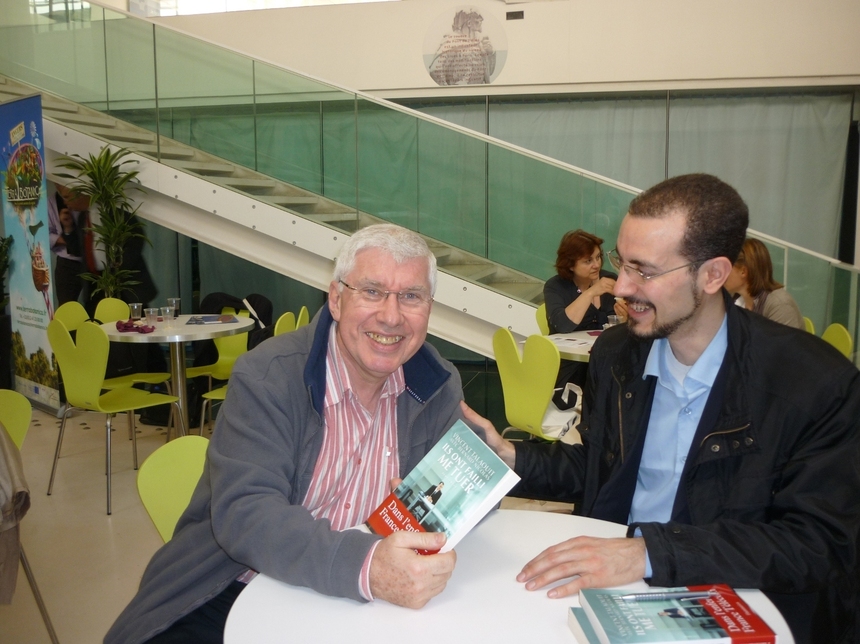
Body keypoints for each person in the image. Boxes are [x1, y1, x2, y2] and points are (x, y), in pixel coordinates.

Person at [464, 174, 860, 644]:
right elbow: (599, 467)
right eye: (620, 262)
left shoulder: (813, 383)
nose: (620, 287)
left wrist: (649, 552)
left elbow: (818, 545)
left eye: (645, 272)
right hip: (616, 585)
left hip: (738, 604)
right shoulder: (618, 353)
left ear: (712, 275)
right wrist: (510, 456)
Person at [106, 224, 471, 644]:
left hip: (365, 607)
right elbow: (246, 513)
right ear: (336, 299)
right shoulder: (269, 377)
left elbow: (453, 504)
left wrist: (488, 463)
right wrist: (366, 566)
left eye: (411, 296)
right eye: (371, 291)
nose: (391, 316)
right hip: (231, 586)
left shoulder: (436, 383)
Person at [543, 229, 628, 405]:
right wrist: (590, 293)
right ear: (570, 265)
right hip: (572, 367)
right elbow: (562, 325)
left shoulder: (610, 279)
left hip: (608, 363)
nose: (596, 265)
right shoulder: (555, 287)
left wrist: (627, 317)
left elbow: (628, 328)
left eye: (598, 257)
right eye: (588, 261)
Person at [724, 237, 804, 330]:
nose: (722, 274)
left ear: (743, 271)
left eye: (727, 268)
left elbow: (782, 344)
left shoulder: (780, 305)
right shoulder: (736, 300)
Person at [47, 184, 88, 305]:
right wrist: (67, 237)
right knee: (66, 306)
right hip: (67, 262)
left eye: (68, 197)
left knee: (96, 304)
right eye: (64, 197)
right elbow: (44, 236)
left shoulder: (91, 203)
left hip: (91, 261)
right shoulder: (51, 203)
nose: (67, 202)